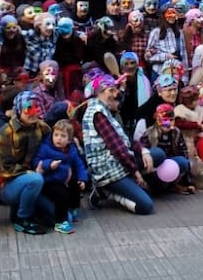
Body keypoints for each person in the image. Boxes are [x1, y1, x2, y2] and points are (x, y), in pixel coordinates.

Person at [83, 74, 153, 215]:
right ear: (100, 92)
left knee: (156, 155)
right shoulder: (97, 113)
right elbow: (118, 148)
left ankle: (135, 185)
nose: (115, 94)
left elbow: (124, 139)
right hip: (108, 171)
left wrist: (143, 150)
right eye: (111, 90)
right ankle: (106, 192)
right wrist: (135, 172)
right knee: (146, 206)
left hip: (118, 162)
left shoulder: (105, 110)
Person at [0, 90, 54, 234]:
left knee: (54, 215)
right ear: (19, 110)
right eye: (28, 109)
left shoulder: (42, 127)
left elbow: (53, 148)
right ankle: (22, 220)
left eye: (36, 107)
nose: (33, 113)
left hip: (34, 179)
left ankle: (22, 208)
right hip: (8, 184)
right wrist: (33, 172)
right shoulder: (5, 133)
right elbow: (4, 169)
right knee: (35, 179)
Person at [33, 118, 87, 234]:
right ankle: (60, 222)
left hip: (63, 178)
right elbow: (37, 161)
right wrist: (49, 165)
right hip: (49, 180)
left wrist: (82, 179)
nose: (58, 138)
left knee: (75, 183)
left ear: (69, 140)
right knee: (61, 194)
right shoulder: (46, 147)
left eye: (63, 136)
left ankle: (73, 208)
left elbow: (79, 164)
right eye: (56, 135)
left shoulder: (71, 149)